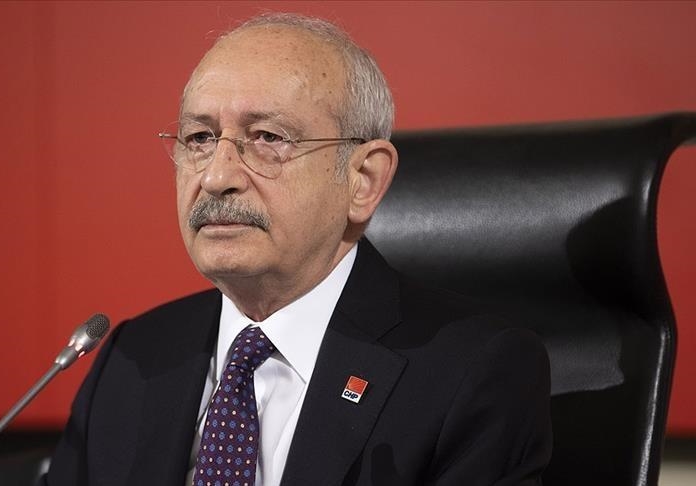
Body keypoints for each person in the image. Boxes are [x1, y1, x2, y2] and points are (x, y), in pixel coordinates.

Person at [42, 12, 552, 486]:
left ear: (363, 180)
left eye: (267, 137)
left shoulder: (473, 374)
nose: (216, 177)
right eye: (199, 138)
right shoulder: (134, 357)